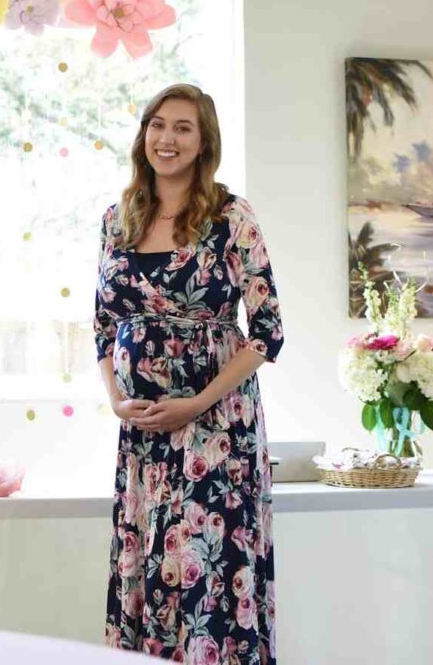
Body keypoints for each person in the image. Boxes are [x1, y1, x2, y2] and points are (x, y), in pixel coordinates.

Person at [96, 83, 283, 663]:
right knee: (151, 566)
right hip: (144, 433)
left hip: (217, 428)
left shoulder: (231, 217)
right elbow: (104, 326)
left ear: (204, 143)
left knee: (210, 572)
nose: (167, 139)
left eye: (183, 128)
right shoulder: (117, 218)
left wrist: (197, 402)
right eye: (158, 124)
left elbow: (267, 330)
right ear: (143, 135)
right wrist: (115, 400)